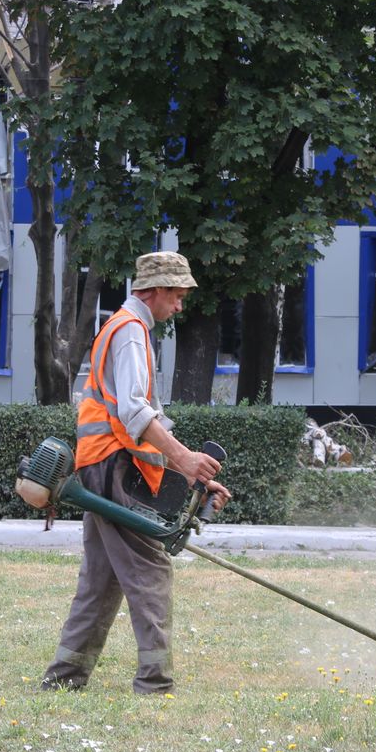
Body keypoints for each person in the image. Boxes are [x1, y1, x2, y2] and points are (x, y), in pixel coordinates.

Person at [41, 251, 231, 695]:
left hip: (102, 463)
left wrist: (191, 476)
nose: (180, 306)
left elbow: (144, 420)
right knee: (150, 572)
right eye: (178, 296)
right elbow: (133, 413)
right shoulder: (129, 333)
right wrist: (185, 460)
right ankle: (155, 683)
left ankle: (65, 677)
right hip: (111, 465)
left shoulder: (125, 329)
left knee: (101, 579)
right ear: (156, 290)